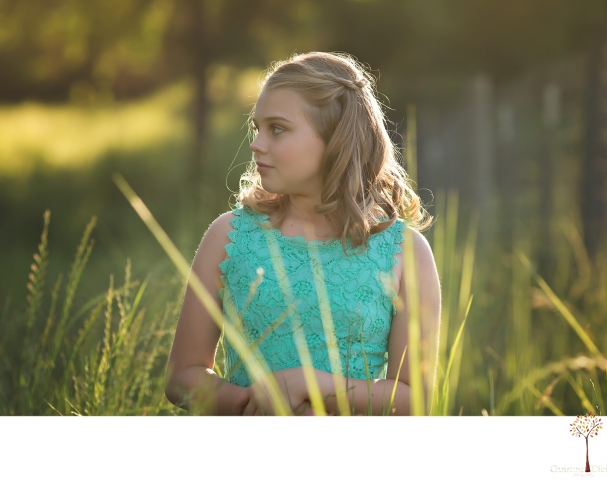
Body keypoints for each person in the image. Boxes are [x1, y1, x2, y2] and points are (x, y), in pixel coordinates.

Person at [164, 52, 441, 415]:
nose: (256, 144)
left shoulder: (405, 251)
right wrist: (252, 402)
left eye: (277, 128)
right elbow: (182, 376)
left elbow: (415, 399)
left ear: (336, 137)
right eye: (257, 128)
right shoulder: (229, 236)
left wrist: (317, 387)